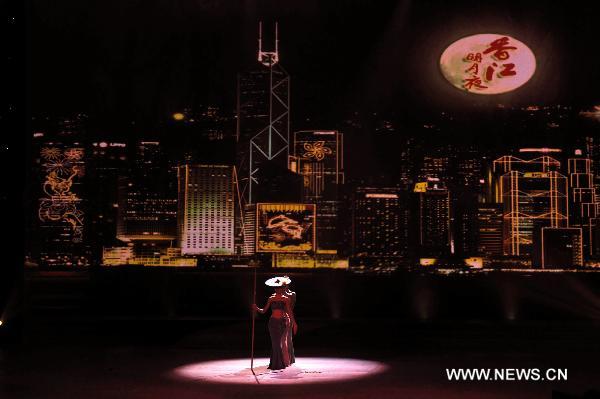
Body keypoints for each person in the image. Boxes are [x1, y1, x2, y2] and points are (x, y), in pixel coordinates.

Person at [253, 276, 298, 370]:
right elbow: (264, 311)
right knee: (275, 343)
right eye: (277, 288)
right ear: (274, 288)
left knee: (281, 343)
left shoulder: (286, 299)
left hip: (283, 322)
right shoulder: (271, 298)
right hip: (273, 322)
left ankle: (282, 363)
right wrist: (256, 308)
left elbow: (290, 312)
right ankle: (275, 363)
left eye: (280, 288)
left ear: (282, 288)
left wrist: (294, 323)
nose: (278, 290)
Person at [282, 275, 296, 364]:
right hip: (280, 316)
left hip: (288, 316)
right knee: (281, 338)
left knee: (288, 338)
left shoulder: (292, 294)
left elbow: (291, 305)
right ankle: (281, 358)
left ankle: (289, 358)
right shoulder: (279, 294)